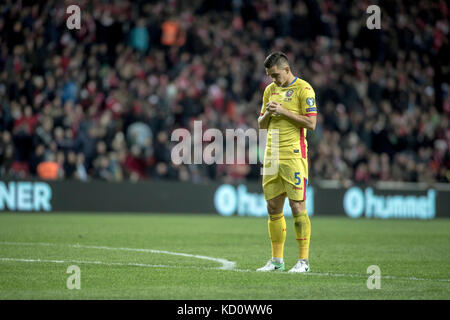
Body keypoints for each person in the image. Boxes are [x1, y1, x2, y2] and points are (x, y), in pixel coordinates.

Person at [257, 52, 317, 273]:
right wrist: (269, 115)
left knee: (297, 206)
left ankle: (303, 261)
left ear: (286, 69)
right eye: (270, 76)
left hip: (293, 156)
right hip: (271, 156)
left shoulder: (304, 89)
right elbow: (261, 124)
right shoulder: (269, 90)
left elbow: (311, 124)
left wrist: (282, 111)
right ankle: (276, 261)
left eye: (275, 75)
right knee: (273, 207)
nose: (273, 80)